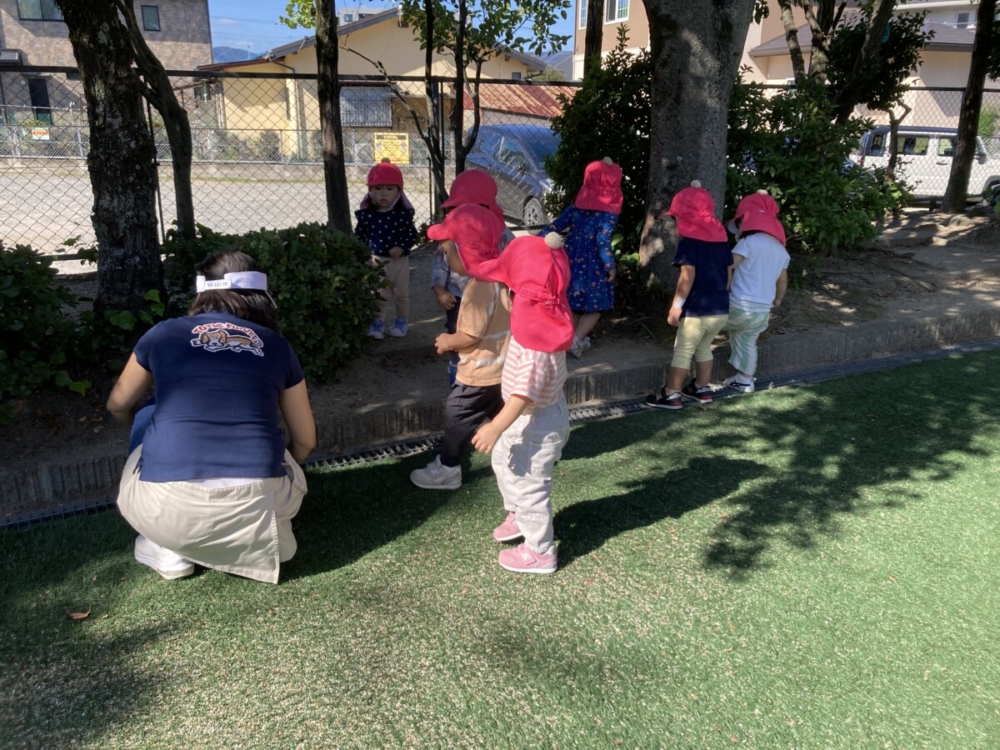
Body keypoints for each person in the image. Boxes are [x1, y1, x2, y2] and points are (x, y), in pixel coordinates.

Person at [107, 251, 317, 584]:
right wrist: (282, 466)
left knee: (150, 410)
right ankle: (253, 536)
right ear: (260, 295)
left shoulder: (163, 333)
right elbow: (305, 440)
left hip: (165, 508)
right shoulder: (277, 345)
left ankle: (167, 546)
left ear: (201, 289)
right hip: (258, 501)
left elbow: (117, 405)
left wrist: (150, 442)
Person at [464, 231, 574, 575]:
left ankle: (540, 551)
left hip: (534, 422)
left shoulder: (536, 344)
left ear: (515, 297)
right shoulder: (546, 319)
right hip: (534, 416)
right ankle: (518, 514)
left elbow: (523, 393)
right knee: (504, 462)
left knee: (530, 485)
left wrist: (495, 426)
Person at [410, 204, 512, 491]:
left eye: (448, 250)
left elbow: (470, 334)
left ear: (466, 253)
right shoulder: (502, 277)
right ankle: (517, 453)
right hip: (502, 368)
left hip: (479, 373)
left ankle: (448, 468)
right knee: (500, 412)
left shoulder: (478, 287)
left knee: (456, 413)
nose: (445, 256)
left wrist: (447, 341)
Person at [645, 181, 733, 410]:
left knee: (683, 351)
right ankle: (701, 388)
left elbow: (687, 276)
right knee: (704, 347)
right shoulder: (722, 242)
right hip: (720, 307)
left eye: (675, 219)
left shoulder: (689, 244)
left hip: (697, 309)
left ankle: (671, 394)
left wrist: (677, 305)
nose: (675, 225)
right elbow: (729, 274)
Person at [429, 169, 515, 386]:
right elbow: (440, 266)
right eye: (457, 208)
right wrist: (440, 291)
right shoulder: (451, 233)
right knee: (458, 335)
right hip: (458, 299)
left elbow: (514, 264)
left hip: (495, 299)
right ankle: (458, 372)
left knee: (491, 338)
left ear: (487, 208)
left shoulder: (502, 234)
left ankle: (490, 374)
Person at [540, 157, 623, 359]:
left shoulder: (575, 210)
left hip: (571, 260)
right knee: (596, 307)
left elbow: (555, 227)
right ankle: (576, 340)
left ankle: (568, 339)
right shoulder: (608, 216)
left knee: (573, 302)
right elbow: (602, 239)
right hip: (595, 264)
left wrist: (537, 241)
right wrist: (610, 265)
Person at [723, 191, 790, 393]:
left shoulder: (748, 242)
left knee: (706, 326)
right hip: (762, 311)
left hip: (739, 305)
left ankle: (698, 376)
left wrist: (724, 284)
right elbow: (782, 280)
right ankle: (745, 380)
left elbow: (728, 264)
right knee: (748, 341)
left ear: (746, 221)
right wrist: (778, 298)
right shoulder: (781, 250)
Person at [354, 158, 419, 340]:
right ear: (370, 191)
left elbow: (412, 235)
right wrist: (361, 254)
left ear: (399, 192)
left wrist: (402, 247)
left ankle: (401, 321)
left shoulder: (402, 215)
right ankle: (377, 323)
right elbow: (359, 237)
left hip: (399, 262)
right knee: (377, 295)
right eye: (378, 188)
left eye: (389, 189)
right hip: (374, 261)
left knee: (401, 294)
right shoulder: (367, 216)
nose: (383, 193)